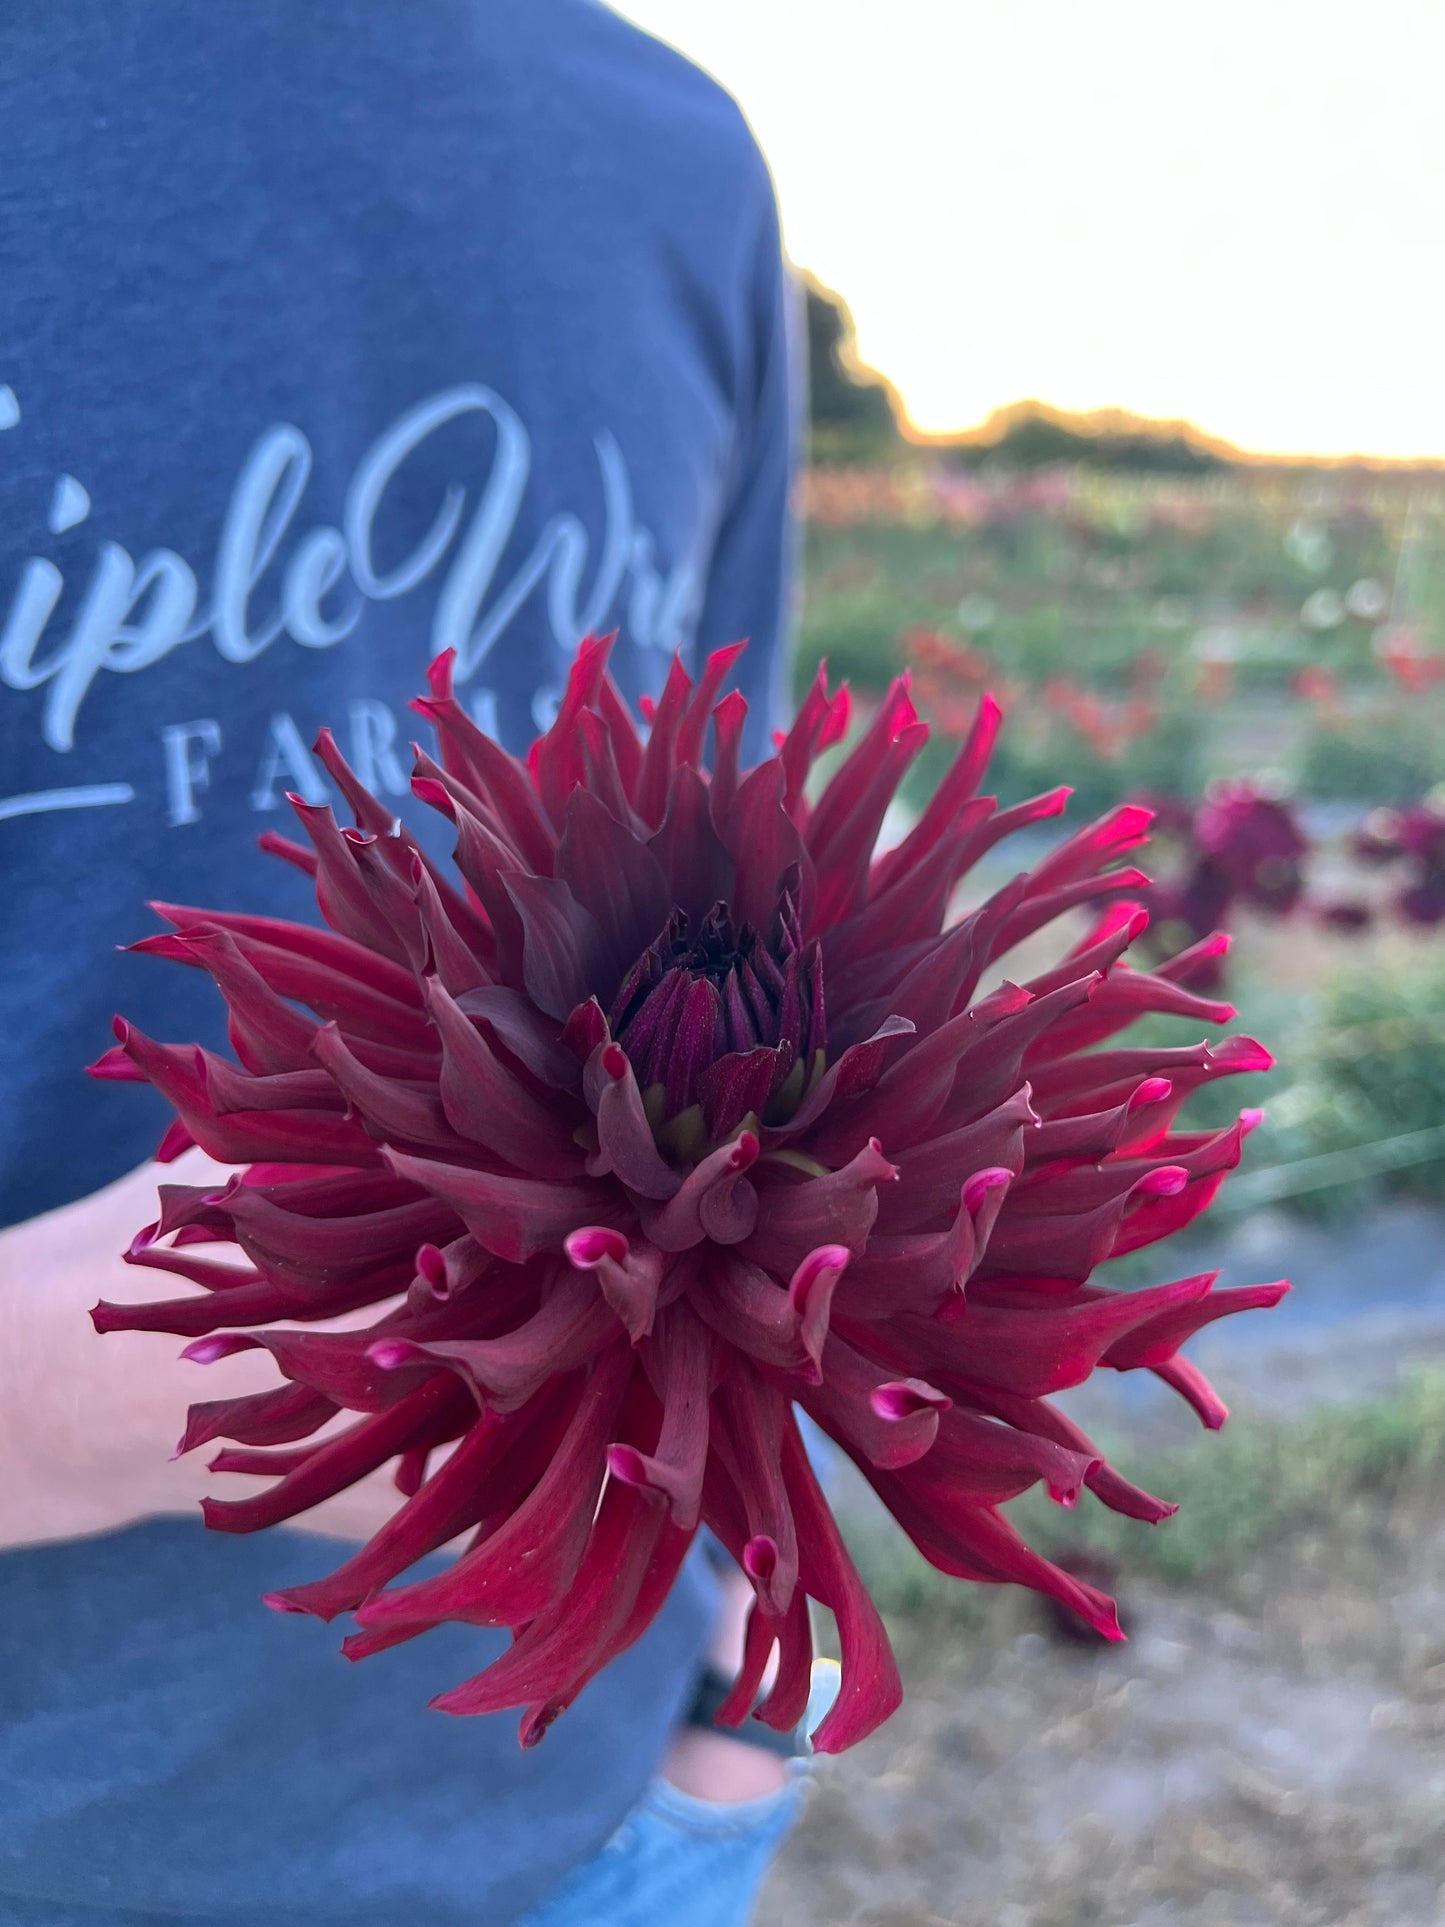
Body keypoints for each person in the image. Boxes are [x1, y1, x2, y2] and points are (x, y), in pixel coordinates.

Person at [0, 4, 805, 1921]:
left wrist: (739, 1660)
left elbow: (732, 934)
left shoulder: (674, 151)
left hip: (592, 1830)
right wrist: (82, 1395)